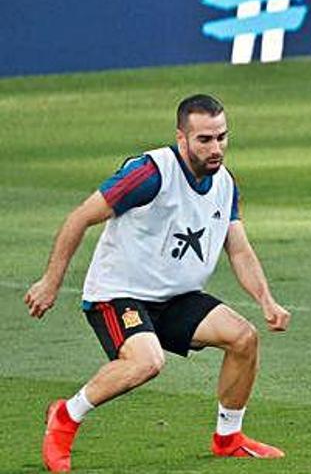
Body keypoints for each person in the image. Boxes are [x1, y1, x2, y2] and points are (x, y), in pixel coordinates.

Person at [24, 94, 291, 472]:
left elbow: (240, 250)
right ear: (181, 138)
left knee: (244, 338)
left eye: (222, 137)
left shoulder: (225, 183)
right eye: (205, 140)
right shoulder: (149, 173)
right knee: (147, 362)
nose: (216, 148)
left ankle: (228, 438)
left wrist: (266, 300)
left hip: (176, 297)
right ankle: (66, 416)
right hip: (119, 295)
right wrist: (50, 282)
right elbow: (80, 217)